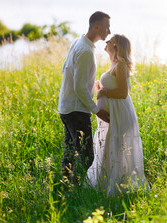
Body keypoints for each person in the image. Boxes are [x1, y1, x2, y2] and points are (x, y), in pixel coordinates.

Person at [86, 34, 149, 196]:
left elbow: (122, 93)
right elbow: (117, 86)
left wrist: (104, 92)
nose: (106, 43)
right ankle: (107, 183)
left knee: (115, 147)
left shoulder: (120, 65)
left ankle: (119, 186)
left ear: (117, 47)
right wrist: (101, 88)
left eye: (110, 41)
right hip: (113, 113)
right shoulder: (114, 65)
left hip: (120, 113)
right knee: (108, 146)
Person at [58, 11, 111, 183]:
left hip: (67, 108)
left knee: (70, 153)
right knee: (87, 157)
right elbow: (79, 88)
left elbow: (67, 69)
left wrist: (90, 83)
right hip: (76, 111)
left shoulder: (79, 43)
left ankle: (65, 188)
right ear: (96, 26)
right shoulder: (86, 51)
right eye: (107, 27)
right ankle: (77, 191)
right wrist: (97, 111)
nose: (109, 31)